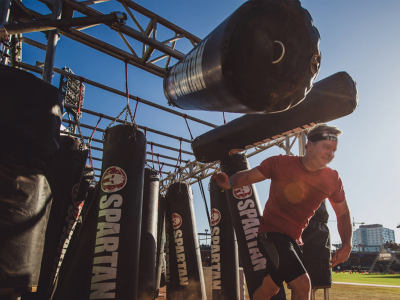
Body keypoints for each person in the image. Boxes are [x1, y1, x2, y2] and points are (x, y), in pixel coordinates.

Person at [211, 124, 352, 300]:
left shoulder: (332, 179)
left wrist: (347, 244)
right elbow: (248, 176)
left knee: (270, 288)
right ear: (309, 146)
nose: (330, 154)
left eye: (333, 150)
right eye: (325, 147)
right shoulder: (280, 163)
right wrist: (229, 183)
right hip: (271, 234)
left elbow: (343, 214)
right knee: (303, 284)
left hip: (294, 240)